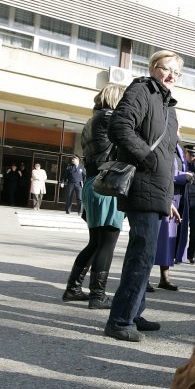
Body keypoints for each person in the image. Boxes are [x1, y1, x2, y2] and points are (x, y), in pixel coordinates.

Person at [104, 50, 182, 342]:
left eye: (177, 72)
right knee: (141, 255)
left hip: (157, 191)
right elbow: (119, 126)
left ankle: (134, 312)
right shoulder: (142, 89)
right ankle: (120, 320)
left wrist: (169, 199)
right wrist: (146, 159)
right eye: (166, 69)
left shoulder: (168, 105)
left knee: (146, 256)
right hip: (142, 185)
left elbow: (169, 155)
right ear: (153, 68)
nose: (171, 75)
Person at [61, 84, 126, 309]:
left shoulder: (93, 120)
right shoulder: (110, 118)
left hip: (93, 183)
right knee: (106, 244)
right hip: (108, 185)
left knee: (95, 243)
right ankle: (97, 295)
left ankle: (73, 288)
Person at [153, 141, 192, 290]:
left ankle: (165, 277)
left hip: (177, 196)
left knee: (168, 240)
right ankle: (143, 279)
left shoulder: (178, 146)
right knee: (157, 239)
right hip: (164, 196)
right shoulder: (164, 143)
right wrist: (183, 176)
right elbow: (162, 171)